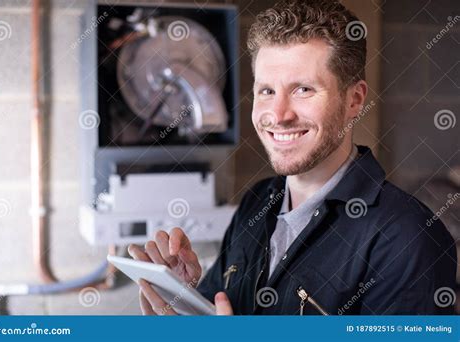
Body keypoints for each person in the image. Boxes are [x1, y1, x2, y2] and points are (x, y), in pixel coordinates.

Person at [128, 0, 457, 315]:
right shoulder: (255, 203)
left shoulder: (408, 238)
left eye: (303, 89)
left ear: (354, 101)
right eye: (267, 91)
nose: (279, 114)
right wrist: (186, 297)